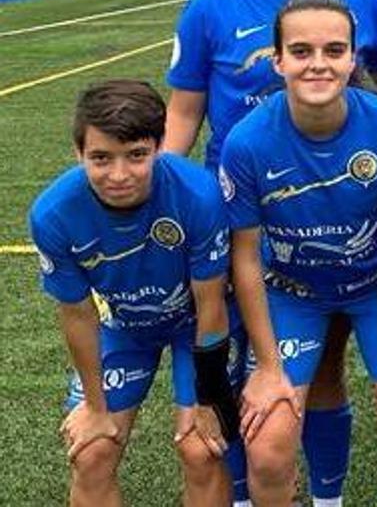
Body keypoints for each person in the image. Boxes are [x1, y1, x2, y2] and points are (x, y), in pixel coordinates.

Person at [165, 0, 377, 507]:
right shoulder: (213, 5)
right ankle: (249, 491)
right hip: (245, 214)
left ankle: (322, 493)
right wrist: (163, 188)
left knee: (325, 370)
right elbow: (186, 110)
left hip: (342, 210)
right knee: (254, 376)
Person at [220, 0, 377, 507]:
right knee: (269, 445)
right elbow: (246, 258)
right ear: (278, 60)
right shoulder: (246, 142)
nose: (318, 63)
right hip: (293, 293)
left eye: (333, 50)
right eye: (301, 51)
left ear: (353, 58)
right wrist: (269, 366)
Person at [29, 79, 238, 506]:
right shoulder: (53, 214)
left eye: (136, 156)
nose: (119, 175)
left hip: (195, 325)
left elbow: (211, 304)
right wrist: (94, 405)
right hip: (125, 326)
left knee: (201, 448)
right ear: (78, 154)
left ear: (159, 147)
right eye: (101, 158)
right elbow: (77, 314)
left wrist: (208, 398)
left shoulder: (198, 195)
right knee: (91, 453)